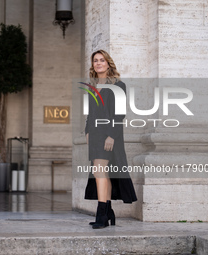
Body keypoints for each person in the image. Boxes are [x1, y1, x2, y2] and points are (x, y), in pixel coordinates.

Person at [84, 49, 137, 229]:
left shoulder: (118, 85)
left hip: (109, 134)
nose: (98, 63)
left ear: (108, 63)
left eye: (102, 60)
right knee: (102, 173)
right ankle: (108, 213)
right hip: (95, 134)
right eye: (95, 60)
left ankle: (101, 214)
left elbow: (120, 113)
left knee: (99, 173)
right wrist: (87, 131)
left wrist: (111, 136)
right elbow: (90, 112)